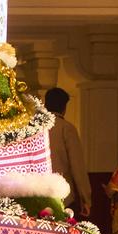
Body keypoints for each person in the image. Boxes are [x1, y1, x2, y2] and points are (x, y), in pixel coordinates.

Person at [45, 86, 90, 219]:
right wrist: (85, 199)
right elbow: (77, 166)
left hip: (36, 192)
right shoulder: (66, 128)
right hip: (63, 195)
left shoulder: (33, 128)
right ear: (64, 107)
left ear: (45, 105)